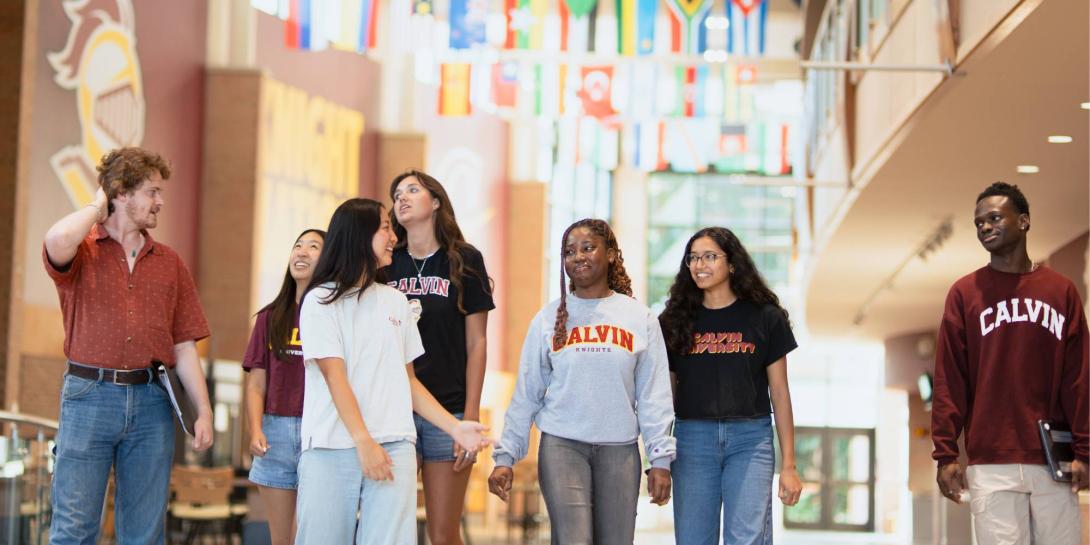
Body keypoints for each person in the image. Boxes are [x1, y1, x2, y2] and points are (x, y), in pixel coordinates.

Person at [42, 147, 214, 545]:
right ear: (121, 193)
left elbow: (185, 346)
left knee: (144, 534)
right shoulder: (82, 248)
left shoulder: (170, 262)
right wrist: (97, 204)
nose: (161, 202)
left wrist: (202, 411)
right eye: (152, 192)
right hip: (88, 397)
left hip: (153, 402)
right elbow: (55, 240)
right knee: (74, 528)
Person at [294, 198, 490, 544]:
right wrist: (363, 441)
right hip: (331, 445)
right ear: (359, 236)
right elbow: (334, 377)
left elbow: (408, 382)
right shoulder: (319, 301)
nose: (393, 237)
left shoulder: (395, 301)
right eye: (385, 227)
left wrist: (455, 427)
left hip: (395, 444)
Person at [488, 218, 676, 545]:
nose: (578, 257)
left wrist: (659, 459)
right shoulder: (547, 319)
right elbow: (527, 394)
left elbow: (653, 396)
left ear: (612, 254)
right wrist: (506, 457)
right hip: (563, 447)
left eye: (588, 248)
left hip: (620, 451)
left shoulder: (638, 318)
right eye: (569, 252)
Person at [932, 182, 1088, 545]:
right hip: (991, 460)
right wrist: (945, 454)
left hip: (1053, 459)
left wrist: (1086, 451)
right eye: (979, 223)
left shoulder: (1060, 292)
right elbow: (949, 379)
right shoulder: (964, 294)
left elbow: (1079, 379)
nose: (985, 227)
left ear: (1024, 221)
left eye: (994, 218)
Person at [658, 227, 802, 545]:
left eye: (709, 256)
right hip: (692, 441)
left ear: (732, 263)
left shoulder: (766, 318)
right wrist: (658, 459)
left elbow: (780, 393)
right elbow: (665, 397)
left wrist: (789, 465)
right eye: (693, 258)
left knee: (747, 539)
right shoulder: (673, 321)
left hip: (750, 441)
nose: (699, 265)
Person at [385, 170, 495, 545]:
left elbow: (477, 342)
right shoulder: (387, 263)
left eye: (412, 190)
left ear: (435, 202)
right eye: (397, 193)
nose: (401, 197)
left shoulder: (465, 260)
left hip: (447, 413)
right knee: (389, 528)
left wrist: (471, 416)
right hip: (392, 411)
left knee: (443, 533)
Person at [243, 229, 325, 545]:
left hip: (320, 432)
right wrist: (255, 430)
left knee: (310, 534)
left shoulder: (335, 315)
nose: (301, 252)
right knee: (282, 539)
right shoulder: (269, 317)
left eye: (313, 247)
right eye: (297, 246)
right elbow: (256, 384)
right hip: (275, 432)